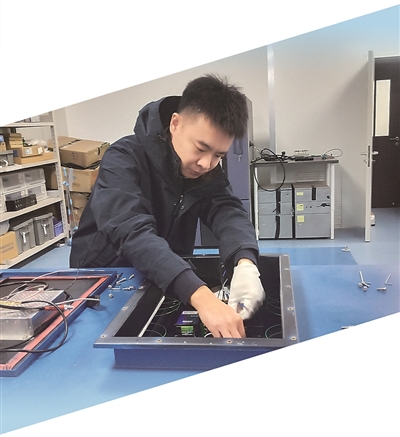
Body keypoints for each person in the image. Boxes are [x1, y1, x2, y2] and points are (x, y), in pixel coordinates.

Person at [69, 74, 265, 338]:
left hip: (161, 274)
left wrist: (245, 261)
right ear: (175, 123)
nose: (206, 164)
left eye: (218, 155)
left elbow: (227, 211)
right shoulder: (124, 158)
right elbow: (131, 232)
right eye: (201, 148)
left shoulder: (204, 172)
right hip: (106, 280)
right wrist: (201, 296)